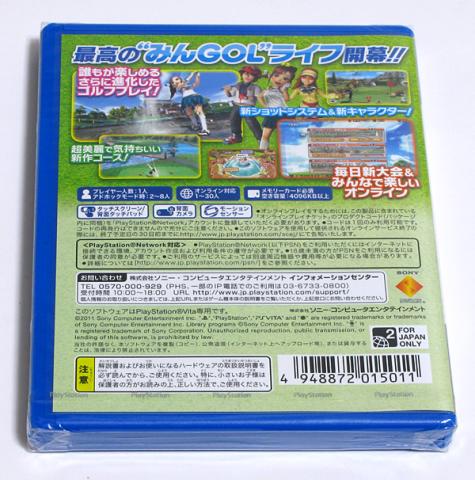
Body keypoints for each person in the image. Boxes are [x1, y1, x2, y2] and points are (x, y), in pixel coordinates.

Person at [258, 65, 297, 150]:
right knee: (265, 135)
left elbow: (286, 99)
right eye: (276, 75)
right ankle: (263, 151)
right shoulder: (267, 90)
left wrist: (284, 90)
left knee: (287, 135)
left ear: (288, 82)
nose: (279, 79)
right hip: (271, 114)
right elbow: (259, 97)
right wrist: (265, 106)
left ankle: (291, 152)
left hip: (283, 113)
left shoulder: (283, 89)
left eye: (285, 79)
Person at [223, 66, 262, 144]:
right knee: (233, 120)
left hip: (247, 106)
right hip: (237, 105)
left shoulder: (255, 87)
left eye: (251, 74)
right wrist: (226, 90)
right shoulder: (237, 85)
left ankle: (260, 139)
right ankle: (236, 137)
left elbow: (259, 96)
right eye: (245, 73)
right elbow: (230, 95)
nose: (247, 76)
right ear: (242, 74)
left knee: (251, 122)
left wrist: (246, 97)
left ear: (255, 77)